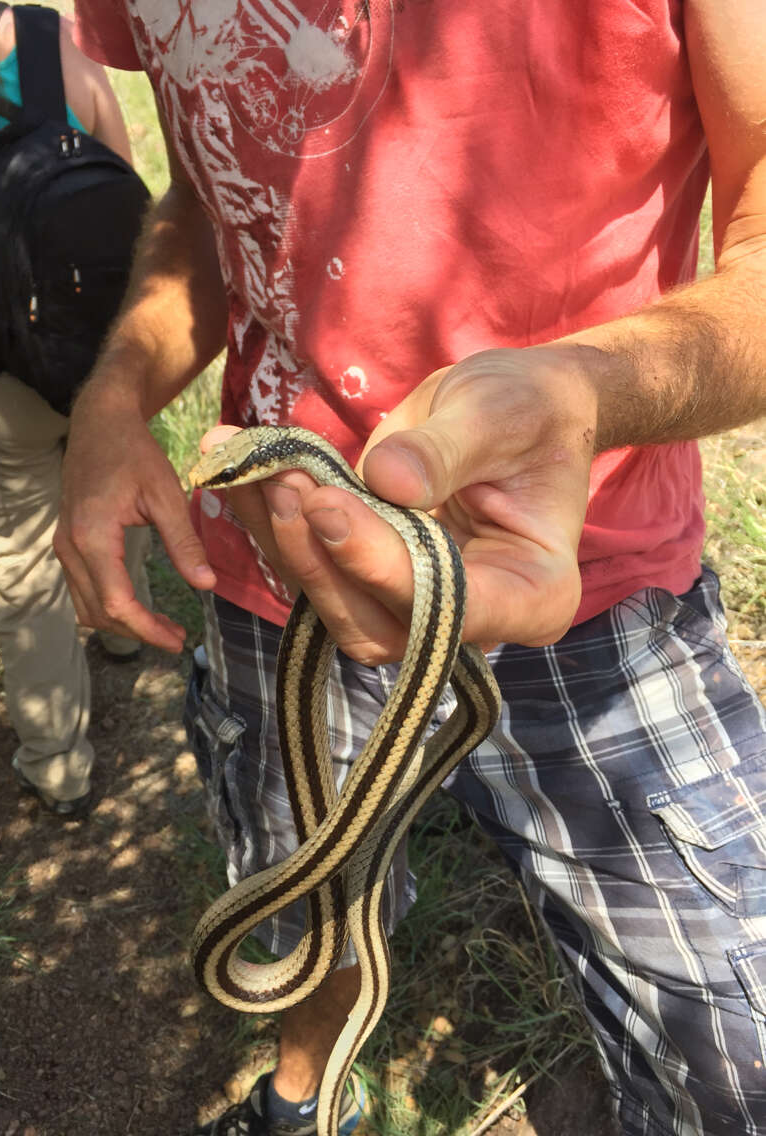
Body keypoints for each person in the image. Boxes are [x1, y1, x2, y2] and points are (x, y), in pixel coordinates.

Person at [57, 2, 766, 1133]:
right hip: (278, 588)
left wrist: (586, 392)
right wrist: (117, 390)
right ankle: (303, 1098)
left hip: (589, 581)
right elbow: (210, 198)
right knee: (307, 908)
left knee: (738, 1058)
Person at [0, 0, 152, 816]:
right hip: (95, 345)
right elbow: (128, 185)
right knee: (110, 488)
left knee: (22, 566)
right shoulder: (55, 38)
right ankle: (126, 628)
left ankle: (57, 765)